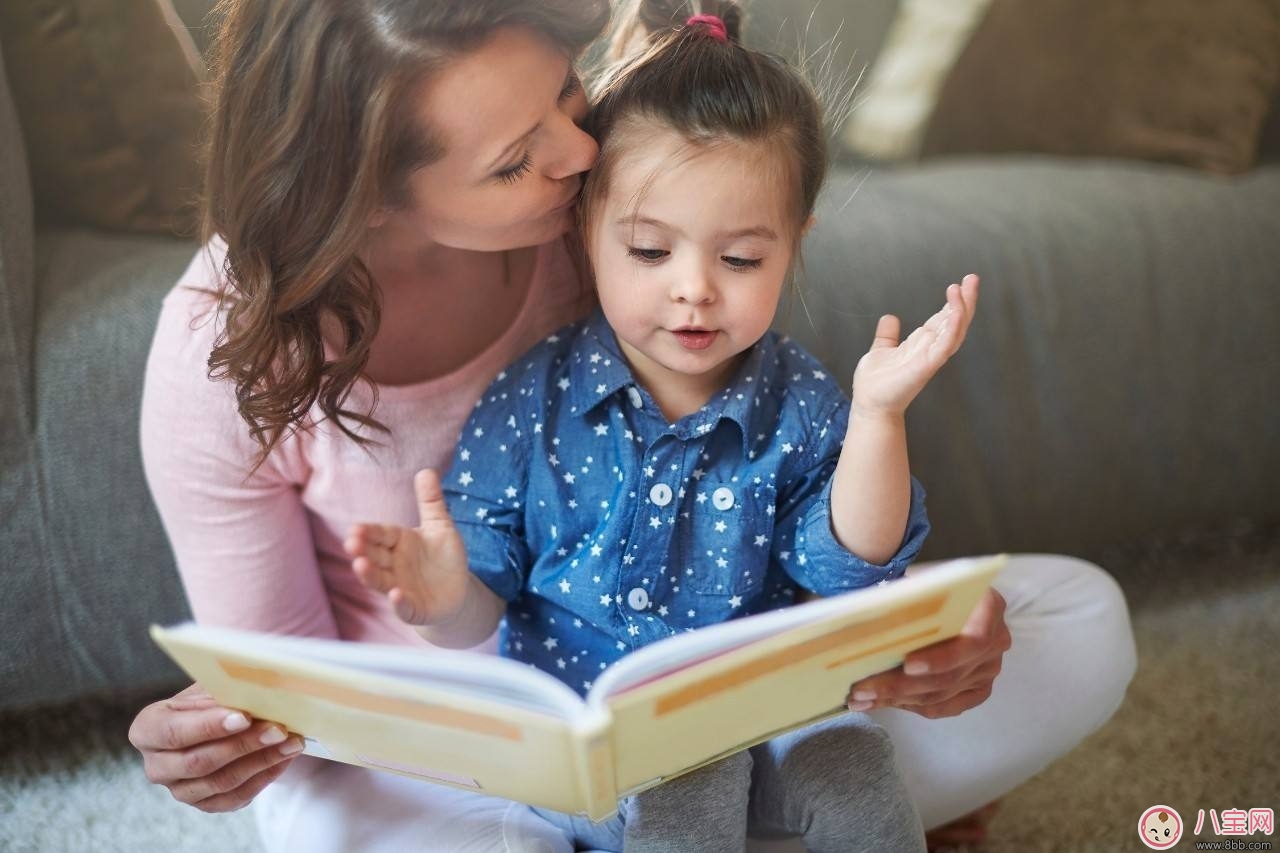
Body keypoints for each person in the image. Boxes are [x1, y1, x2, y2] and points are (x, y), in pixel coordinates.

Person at [126, 1, 1137, 851]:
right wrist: (208, 736)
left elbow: (798, 514)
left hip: (733, 682)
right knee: (319, 813)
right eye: (518, 158)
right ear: (365, 193)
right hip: (454, 747)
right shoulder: (225, 354)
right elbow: (285, 695)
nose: (579, 153)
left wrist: (926, 643)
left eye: (567, 95)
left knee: (1075, 617)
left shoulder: (612, 209)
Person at [345, 8, 971, 850]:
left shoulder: (802, 398)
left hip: (772, 727)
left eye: (741, 259)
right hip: (591, 757)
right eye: (649, 251)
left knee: (855, 764)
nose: (695, 290)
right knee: (687, 766)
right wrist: (441, 595)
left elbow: (850, 568)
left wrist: (878, 417)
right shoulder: (534, 399)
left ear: (792, 245)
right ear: (584, 233)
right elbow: (474, 607)